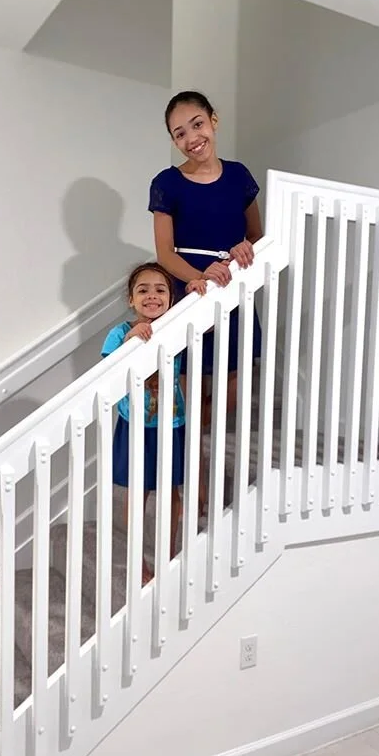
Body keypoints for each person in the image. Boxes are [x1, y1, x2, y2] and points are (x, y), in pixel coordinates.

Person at [148, 90, 263, 506]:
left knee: (235, 387)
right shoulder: (166, 183)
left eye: (197, 124)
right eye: (179, 133)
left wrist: (241, 251)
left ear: (213, 121)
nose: (191, 137)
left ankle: (188, 441)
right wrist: (199, 278)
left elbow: (256, 237)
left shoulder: (238, 176)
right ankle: (193, 482)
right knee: (190, 392)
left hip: (233, 292)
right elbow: (165, 253)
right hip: (190, 294)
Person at [101, 262, 206, 584]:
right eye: (143, 290)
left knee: (170, 491)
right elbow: (107, 371)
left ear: (170, 300)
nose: (152, 296)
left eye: (160, 290)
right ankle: (137, 562)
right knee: (138, 492)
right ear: (131, 299)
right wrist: (129, 342)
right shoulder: (120, 332)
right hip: (135, 425)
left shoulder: (176, 324)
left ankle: (168, 554)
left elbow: (207, 322)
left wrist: (197, 293)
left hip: (170, 423)